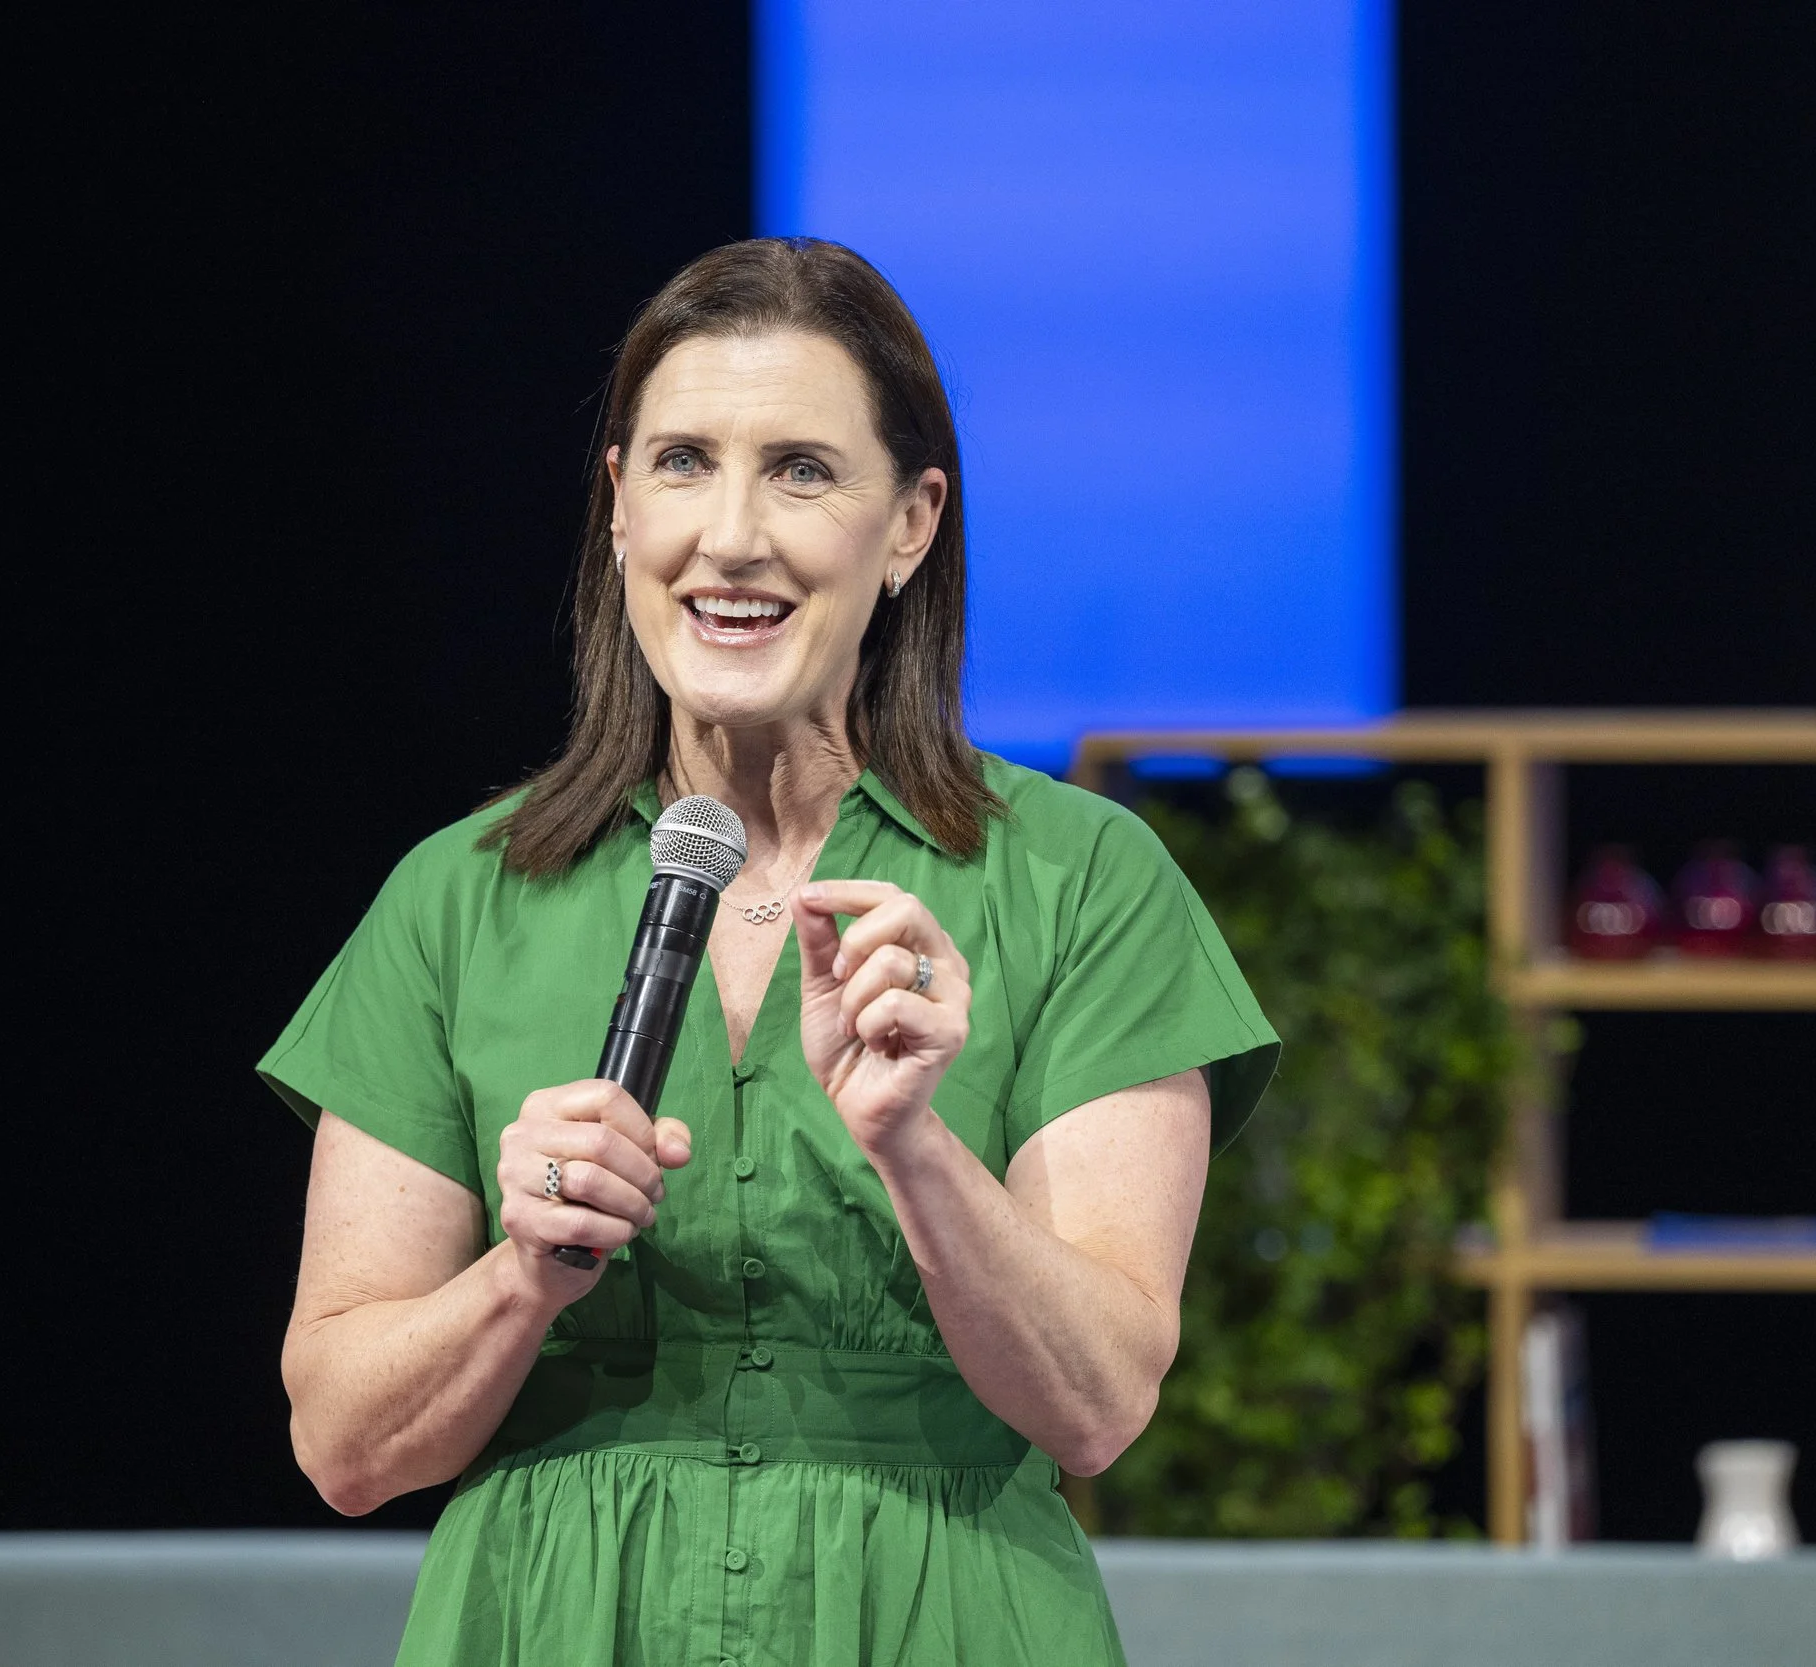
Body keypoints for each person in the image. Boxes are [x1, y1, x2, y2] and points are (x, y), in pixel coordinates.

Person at [258, 237, 1278, 1666]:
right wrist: (521, 1277)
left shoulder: (1083, 882)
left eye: (801, 469)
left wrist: (917, 1145)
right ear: (619, 506)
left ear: (912, 522)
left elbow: (1098, 1403)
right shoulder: (456, 897)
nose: (730, 536)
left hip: (944, 1616)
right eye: (683, 462)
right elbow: (344, 1446)